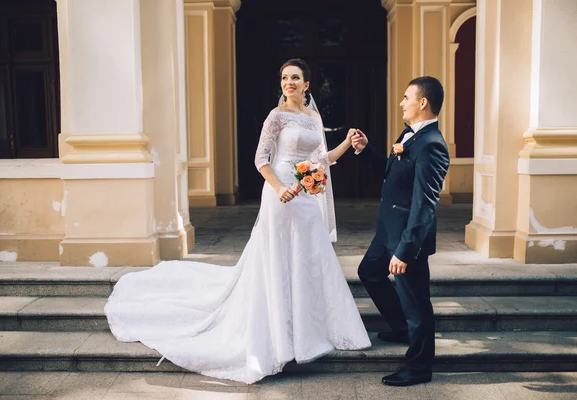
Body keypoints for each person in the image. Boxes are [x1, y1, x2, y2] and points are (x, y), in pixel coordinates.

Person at [104, 58, 371, 384]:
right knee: (279, 257)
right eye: (285, 77)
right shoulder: (276, 117)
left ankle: (309, 330)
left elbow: (320, 161)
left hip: (305, 193)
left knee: (310, 258)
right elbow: (261, 159)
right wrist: (280, 189)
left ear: (307, 85)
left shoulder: (314, 117)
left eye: (295, 78)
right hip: (279, 192)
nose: (289, 82)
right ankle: (280, 337)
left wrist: (348, 144)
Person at [350, 76, 450, 387]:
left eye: (407, 97)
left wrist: (405, 251)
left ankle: (418, 367)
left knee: (417, 305)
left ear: (423, 103)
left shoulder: (432, 145)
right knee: (369, 271)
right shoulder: (410, 136)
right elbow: (392, 173)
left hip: (407, 240)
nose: (401, 103)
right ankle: (400, 327)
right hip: (387, 233)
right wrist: (367, 151)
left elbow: (424, 206)